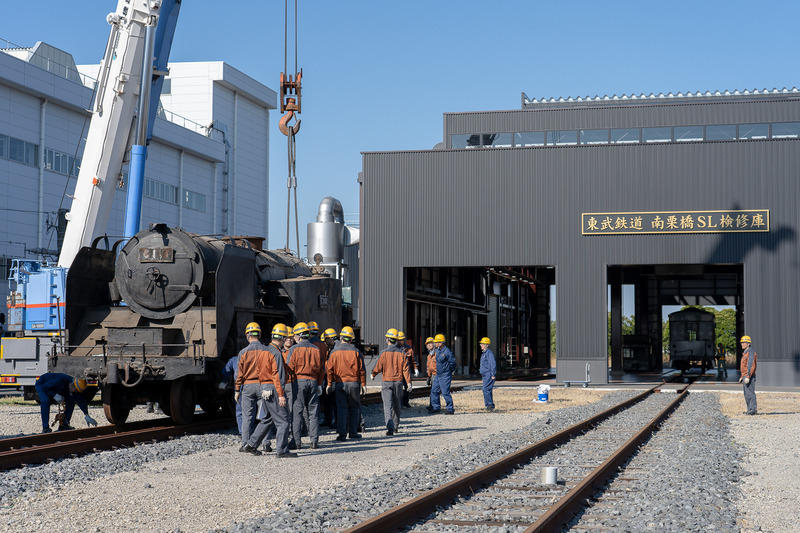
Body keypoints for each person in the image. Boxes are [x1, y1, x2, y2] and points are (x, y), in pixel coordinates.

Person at [245, 323, 297, 458]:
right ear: (283, 338)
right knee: (283, 421)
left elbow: (259, 371)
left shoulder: (264, 351)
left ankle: (251, 445)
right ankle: (282, 450)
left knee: (267, 419)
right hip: (274, 389)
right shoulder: (277, 353)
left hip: (264, 388)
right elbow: (277, 375)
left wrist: (263, 387)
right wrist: (281, 395)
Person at [285, 322, 324, 449]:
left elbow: (289, 368)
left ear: (299, 336)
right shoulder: (316, 349)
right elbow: (321, 369)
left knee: (297, 412)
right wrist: (319, 384)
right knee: (313, 413)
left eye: (295, 336)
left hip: (299, 382)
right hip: (313, 382)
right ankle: (314, 441)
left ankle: (296, 442)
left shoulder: (294, 349)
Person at [326, 326, 366, 441]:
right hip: (354, 384)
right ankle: (353, 433)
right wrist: (363, 384)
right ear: (351, 339)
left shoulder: (334, 352)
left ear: (341, 337)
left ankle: (342, 434)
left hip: (340, 384)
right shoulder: (356, 352)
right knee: (354, 408)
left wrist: (329, 384)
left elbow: (329, 370)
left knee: (341, 409)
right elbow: (362, 370)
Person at [234, 322, 269, 454]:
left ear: (247, 335)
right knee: (264, 415)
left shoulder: (243, 352)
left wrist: (237, 390)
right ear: (259, 335)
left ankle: (245, 444)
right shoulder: (266, 350)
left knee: (247, 417)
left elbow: (239, 374)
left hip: (248, 386)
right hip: (262, 385)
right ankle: (266, 443)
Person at [371, 328, 410, 436]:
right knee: (397, 404)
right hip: (398, 382)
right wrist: (409, 382)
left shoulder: (383, 353)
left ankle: (390, 427)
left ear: (387, 339)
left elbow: (378, 367)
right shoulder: (402, 353)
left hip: (387, 382)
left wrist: (373, 374)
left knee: (387, 405)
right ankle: (396, 426)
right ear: (396, 340)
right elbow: (406, 369)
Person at [428, 333, 455, 415]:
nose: (435, 344)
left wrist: (450, 371)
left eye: (436, 342)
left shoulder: (447, 351)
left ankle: (450, 409)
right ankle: (436, 407)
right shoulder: (438, 351)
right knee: (434, 390)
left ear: (440, 343)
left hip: (445, 375)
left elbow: (452, 362)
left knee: (445, 392)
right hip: (438, 374)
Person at [320, 328, 339, 428]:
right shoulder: (332, 348)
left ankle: (337, 422)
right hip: (330, 378)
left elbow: (331, 366)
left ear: (330, 339)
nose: (325, 343)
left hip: (335, 378)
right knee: (328, 400)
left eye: (326, 341)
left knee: (335, 402)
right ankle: (328, 420)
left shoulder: (335, 349)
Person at [220, 353, 242, 434]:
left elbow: (227, 370)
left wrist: (224, 381)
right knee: (252, 410)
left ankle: (243, 433)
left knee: (240, 411)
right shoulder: (254, 358)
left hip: (239, 387)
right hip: (253, 385)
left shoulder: (234, 359)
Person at [397, 331, 418, 407]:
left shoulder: (409, 349)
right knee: (399, 387)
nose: (400, 342)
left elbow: (413, 360)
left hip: (407, 371)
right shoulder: (395, 349)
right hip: (398, 371)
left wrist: (416, 368)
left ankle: (405, 402)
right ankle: (399, 403)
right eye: (399, 340)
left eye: (401, 340)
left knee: (408, 387)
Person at [738, 335, 758, 415]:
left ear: (748, 343)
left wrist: (748, 376)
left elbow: (751, 365)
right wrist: (742, 376)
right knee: (746, 394)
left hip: (749, 376)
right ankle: (749, 409)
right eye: (741, 343)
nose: (742, 344)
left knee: (750, 393)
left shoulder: (751, 352)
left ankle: (752, 410)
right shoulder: (745, 353)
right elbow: (744, 366)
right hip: (745, 376)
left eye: (743, 342)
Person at [479, 337, 497, 411]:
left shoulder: (489, 353)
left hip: (488, 374)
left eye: (482, 344)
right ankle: (489, 405)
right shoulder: (484, 353)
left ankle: (489, 405)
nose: (481, 345)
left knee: (486, 389)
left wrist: (493, 374)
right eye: (481, 344)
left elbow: (492, 364)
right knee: (487, 389)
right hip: (485, 374)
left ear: (487, 345)